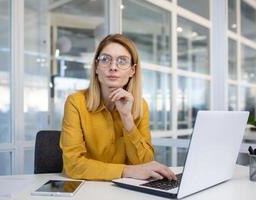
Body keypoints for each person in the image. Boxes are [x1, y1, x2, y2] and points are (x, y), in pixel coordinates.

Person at [60, 34, 176, 181]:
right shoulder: (76, 103)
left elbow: (145, 164)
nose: (113, 67)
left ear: (132, 71)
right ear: (96, 67)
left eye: (122, 61)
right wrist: (127, 171)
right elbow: (73, 165)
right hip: (86, 188)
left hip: (125, 191)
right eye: (105, 60)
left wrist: (127, 118)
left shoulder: (141, 106)